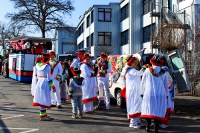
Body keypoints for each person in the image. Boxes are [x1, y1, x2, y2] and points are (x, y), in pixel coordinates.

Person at [140, 54, 169, 133]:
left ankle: (147, 126)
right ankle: (156, 128)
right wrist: (166, 95)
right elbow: (166, 85)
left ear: (151, 62)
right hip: (160, 93)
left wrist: (142, 92)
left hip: (149, 93)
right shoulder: (164, 72)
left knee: (149, 109)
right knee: (158, 110)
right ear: (160, 63)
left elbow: (143, 82)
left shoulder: (147, 71)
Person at [32, 54, 55, 121]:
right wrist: (53, 86)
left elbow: (36, 75)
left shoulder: (37, 65)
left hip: (39, 82)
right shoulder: (47, 67)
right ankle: (42, 116)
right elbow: (49, 78)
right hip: (45, 82)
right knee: (44, 98)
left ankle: (43, 114)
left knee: (41, 98)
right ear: (48, 59)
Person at [125, 56, 145, 129]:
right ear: (131, 63)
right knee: (135, 105)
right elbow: (139, 73)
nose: (137, 63)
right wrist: (144, 68)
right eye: (135, 62)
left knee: (138, 105)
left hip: (135, 91)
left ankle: (137, 120)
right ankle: (133, 122)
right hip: (133, 92)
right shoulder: (131, 70)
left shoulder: (132, 70)